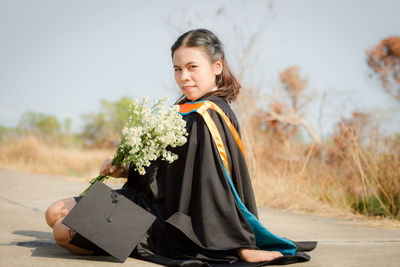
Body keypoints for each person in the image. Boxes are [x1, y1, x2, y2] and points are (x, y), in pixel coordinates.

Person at [45, 28, 316, 266]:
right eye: (177, 69)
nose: (183, 76)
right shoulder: (182, 110)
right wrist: (125, 169)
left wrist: (242, 244)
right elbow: (168, 170)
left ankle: (128, 242)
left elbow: (218, 186)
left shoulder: (210, 114)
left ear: (217, 66)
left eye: (192, 67)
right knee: (54, 212)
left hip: (172, 224)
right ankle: (113, 238)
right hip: (149, 204)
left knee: (62, 231)